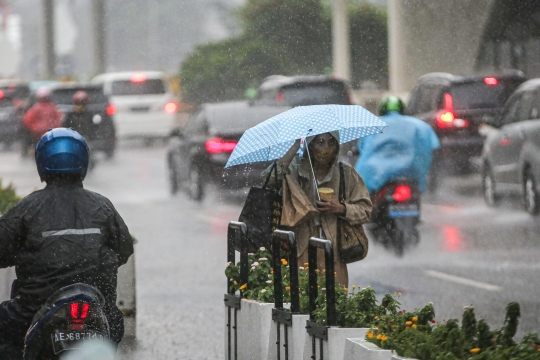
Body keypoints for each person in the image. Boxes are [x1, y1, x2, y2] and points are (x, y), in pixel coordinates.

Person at [0, 128, 133, 358]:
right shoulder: (102, 206)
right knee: (115, 325)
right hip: (96, 307)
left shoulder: (27, 209)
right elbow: (124, 250)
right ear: (83, 162)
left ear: (42, 163)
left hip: (32, 309)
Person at [265, 131, 372, 286]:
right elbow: (269, 180)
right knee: (300, 300)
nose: (326, 148)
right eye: (320, 142)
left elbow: (365, 210)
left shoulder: (346, 173)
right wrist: (295, 146)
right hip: (299, 247)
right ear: (310, 145)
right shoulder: (294, 169)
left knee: (333, 301)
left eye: (331, 142)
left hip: (333, 249)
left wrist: (341, 208)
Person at [355, 96, 440, 195]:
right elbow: (433, 145)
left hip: (379, 173)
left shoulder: (372, 125)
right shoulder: (420, 126)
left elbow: (363, 147)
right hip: (411, 171)